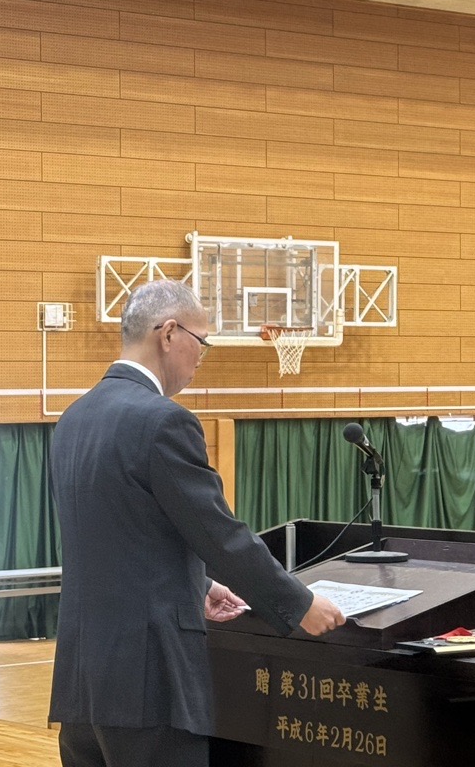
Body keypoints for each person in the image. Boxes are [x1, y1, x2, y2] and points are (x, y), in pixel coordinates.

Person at [48, 280, 346, 767]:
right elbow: (219, 535)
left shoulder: (74, 419)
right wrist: (299, 604)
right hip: (149, 683)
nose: (201, 358)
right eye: (201, 342)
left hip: (81, 685)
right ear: (168, 333)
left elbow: (117, 538)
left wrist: (198, 585)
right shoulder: (163, 420)